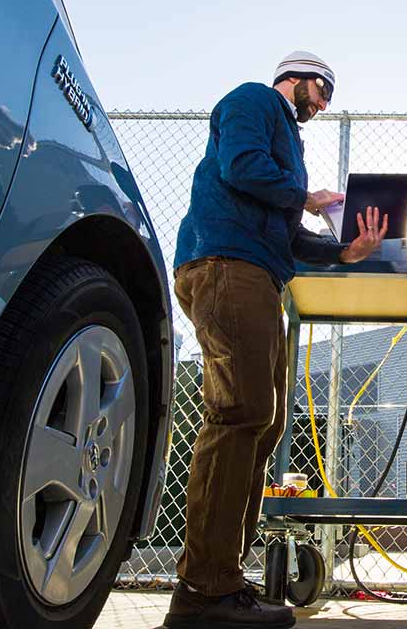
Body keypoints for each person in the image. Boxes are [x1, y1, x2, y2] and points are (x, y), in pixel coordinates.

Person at [165, 51, 388, 629]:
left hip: (256, 270)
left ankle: (223, 582)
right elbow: (241, 166)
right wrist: (307, 195)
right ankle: (202, 592)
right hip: (225, 264)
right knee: (240, 414)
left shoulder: (288, 145)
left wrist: (345, 251)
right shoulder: (254, 99)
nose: (322, 105)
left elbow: (289, 235)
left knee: (260, 421)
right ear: (300, 78)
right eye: (322, 92)